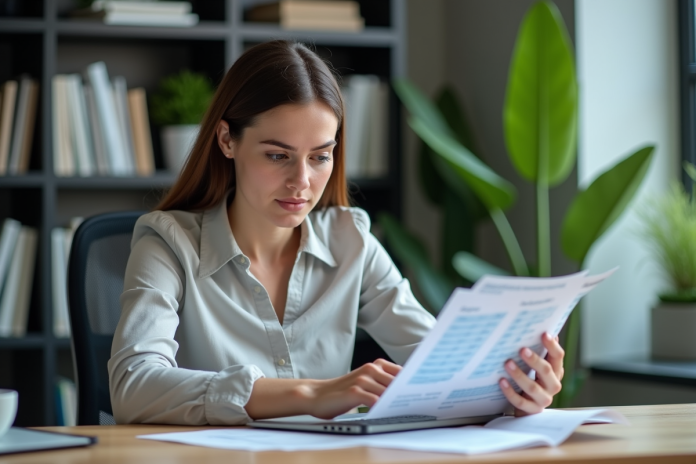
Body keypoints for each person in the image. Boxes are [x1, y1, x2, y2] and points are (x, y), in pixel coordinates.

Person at [108, 40, 565, 425]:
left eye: (320, 156)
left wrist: (516, 388)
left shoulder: (352, 240)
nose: (301, 182)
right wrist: (310, 395)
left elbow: (439, 365)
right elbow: (133, 386)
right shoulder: (168, 243)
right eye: (276, 155)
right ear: (227, 140)